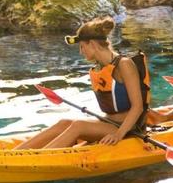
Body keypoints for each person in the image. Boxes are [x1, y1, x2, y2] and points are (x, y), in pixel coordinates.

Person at [17, 16, 150, 149]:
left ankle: (38, 159)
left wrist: (118, 135)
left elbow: (137, 107)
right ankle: (15, 154)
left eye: (82, 46)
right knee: (64, 123)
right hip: (107, 124)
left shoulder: (124, 64)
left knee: (78, 125)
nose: (81, 52)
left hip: (128, 128)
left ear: (92, 43)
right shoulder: (100, 67)